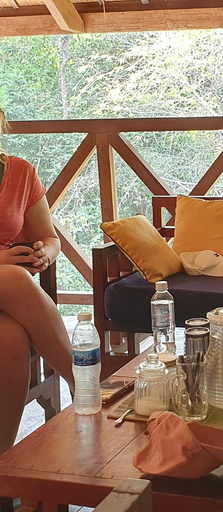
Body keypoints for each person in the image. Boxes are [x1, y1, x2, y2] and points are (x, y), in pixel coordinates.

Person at [0, 105, 75, 454]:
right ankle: (84, 382)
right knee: (15, 278)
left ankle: (4, 466)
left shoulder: (19, 172)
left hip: (7, 291)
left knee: (12, 340)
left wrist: (46, 251)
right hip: (9, 280)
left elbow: (49, 236)